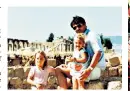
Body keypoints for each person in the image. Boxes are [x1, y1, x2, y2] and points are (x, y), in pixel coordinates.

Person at [56, 15, 106, 89]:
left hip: (93, 69)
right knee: (61, 71)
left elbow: (98, 52)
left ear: (85, 24)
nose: (77, 28)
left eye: (79, 25)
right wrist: (70, 65)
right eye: (74, 27)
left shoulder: (91, 35)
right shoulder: (78, 38)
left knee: (59, 70)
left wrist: (89, 70)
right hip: (84, 68)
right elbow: (77, 57)